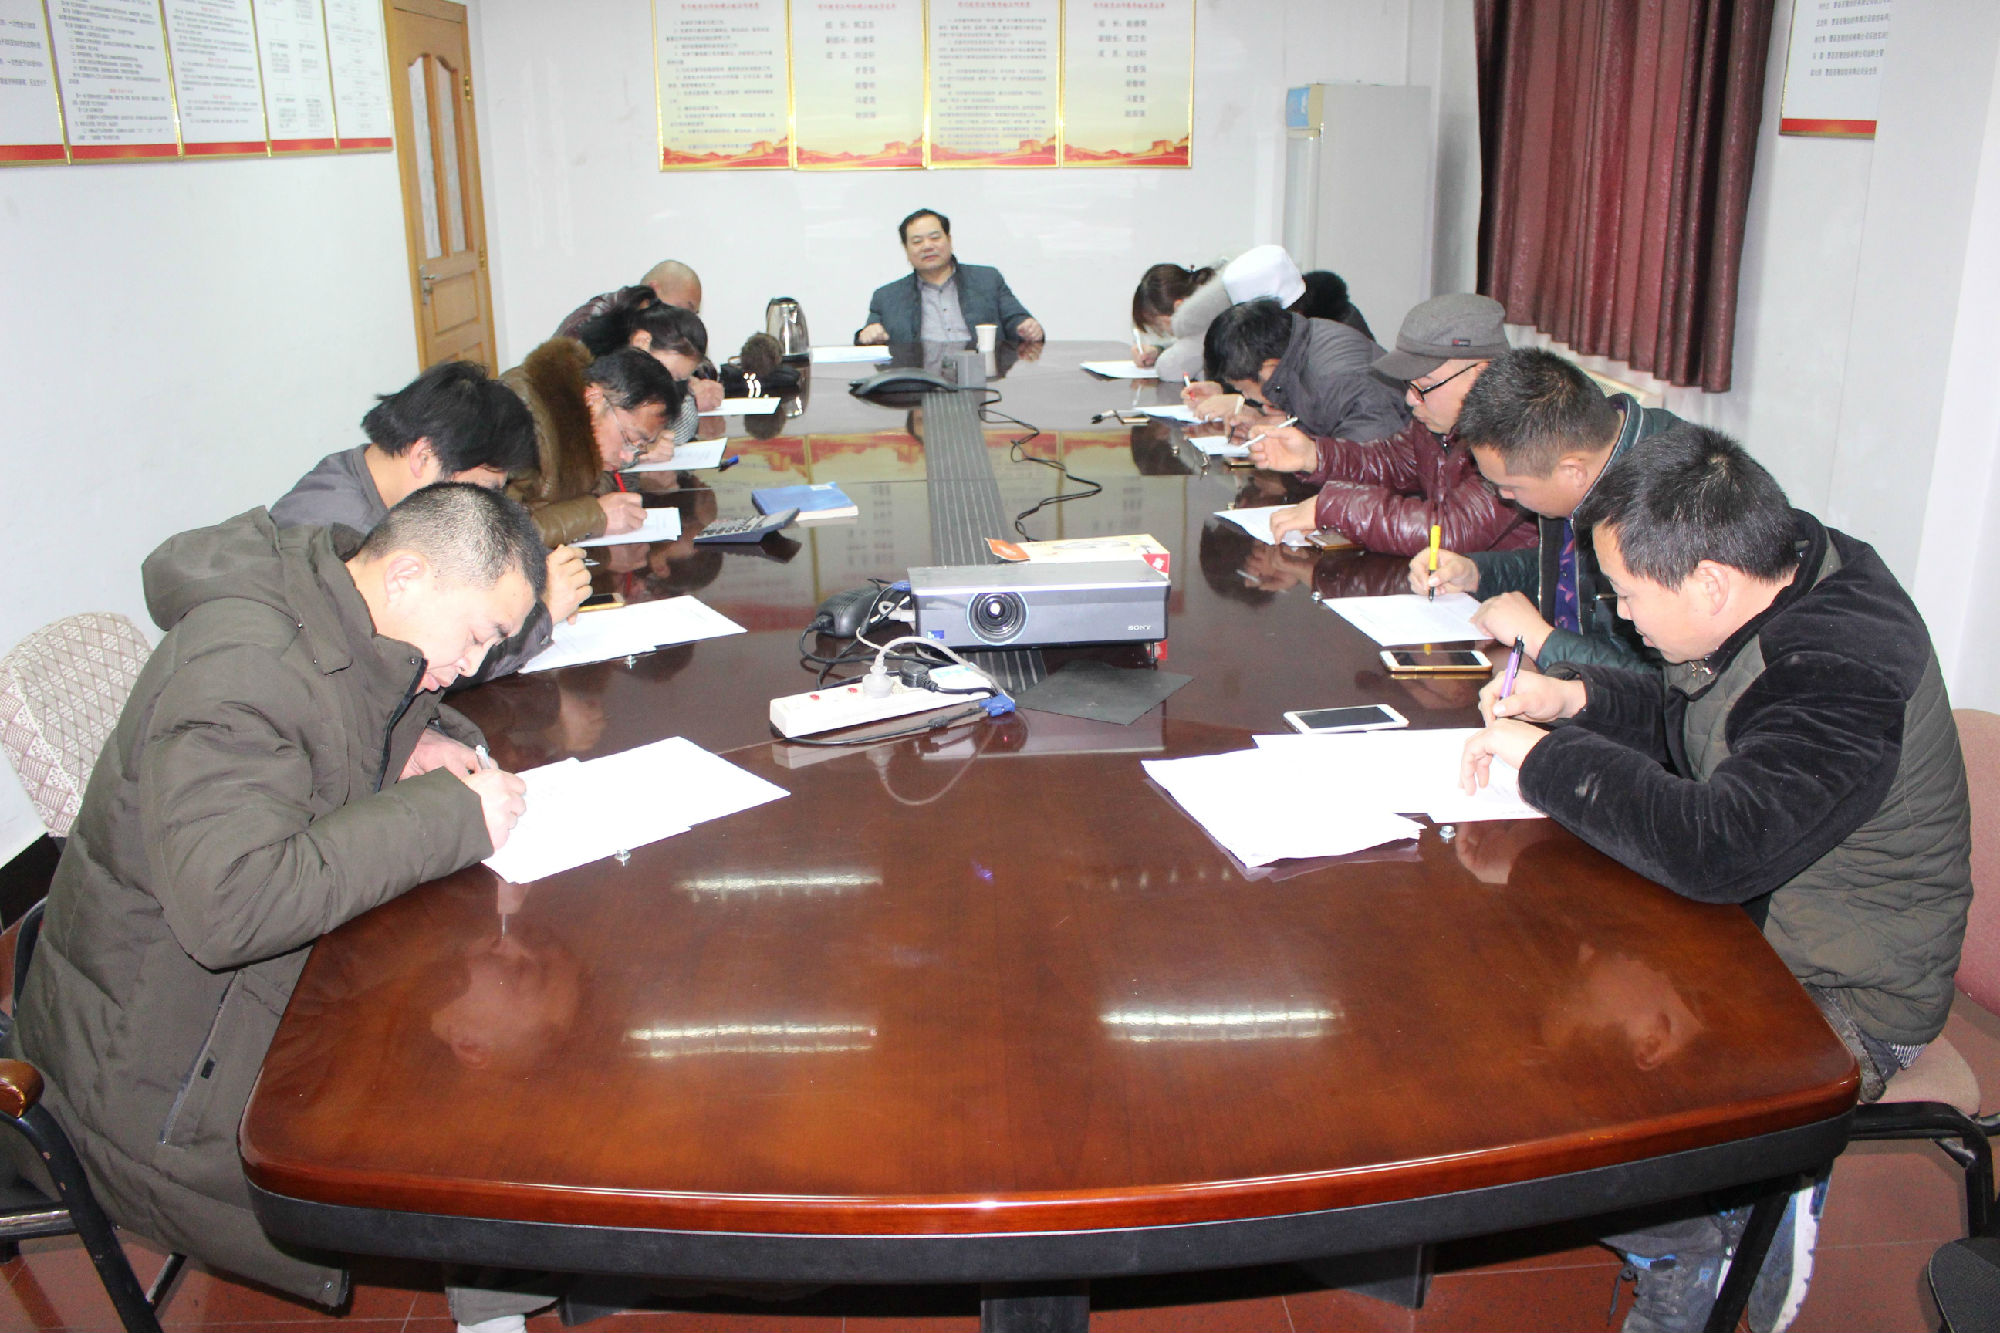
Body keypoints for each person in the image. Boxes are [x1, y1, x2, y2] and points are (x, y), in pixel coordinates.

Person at [1461, 425, 1971, 1333]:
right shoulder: (1775, 572)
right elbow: (1702, 718)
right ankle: (1714, 1216)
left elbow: (1718, 846)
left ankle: (1716, 1230)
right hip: (1756, 929)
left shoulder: (1838, 673)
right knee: (1519, 1009)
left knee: (1563, 1103)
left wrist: (1546, 760)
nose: (1621, 617)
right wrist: (1576, 699)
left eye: (1627, 595)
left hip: (1845, 992)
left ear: (1708, 582)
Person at [8, 483, 545, 1320]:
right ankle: (499, 1298)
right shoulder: (240, 672)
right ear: (406, 575)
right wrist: (446, 816)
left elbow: (366, 722)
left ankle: (499, 1289)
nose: (474, 664)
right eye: (477, 635)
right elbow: (231, 907)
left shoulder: (342, 617)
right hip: (154, 1086)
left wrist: (432, 740)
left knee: (469, 1021)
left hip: (204, 1008)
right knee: (468, 1091)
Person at [270, 362, 591, 683]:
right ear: (423, 456)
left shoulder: (370, 478)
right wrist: (543, 614)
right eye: (480, 490)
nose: (483, 506)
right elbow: (413, 672)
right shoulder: (338, 535)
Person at [1408, 346, 1683, 669]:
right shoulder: (1584, 451)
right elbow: (1567, 574)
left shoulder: (1673, 506)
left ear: (1572, 471)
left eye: (1512, 487)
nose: (1504, 497)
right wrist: (1478, 572)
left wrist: (1541, 639)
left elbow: (1665, 685)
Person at [1251, 293, 1533, 556]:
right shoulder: (1436, 422)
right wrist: (1313, 454)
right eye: (1409, 384)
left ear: (1480, 375)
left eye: (1424, 385)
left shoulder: (1518, 433)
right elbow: (1393, 460)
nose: (1411, 399)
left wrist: (1336, 507)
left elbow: (1452, 529)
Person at [500, 340, 682, 546]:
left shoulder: (584, 430)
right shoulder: (520, 415)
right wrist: (596, 516)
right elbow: (501, 534)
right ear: (594, 398)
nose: (628, 457)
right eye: (629, 439)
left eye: (640, 446)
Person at [1198, 298, 1409, 447]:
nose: (1245, 396)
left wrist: (1297, 441)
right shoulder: (1301, 341)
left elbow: (1366, 463)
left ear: (1269, 370)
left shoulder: (1342, 381)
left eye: (1243, 389)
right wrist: (1270, 422)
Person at [855, 209, 1044, 345]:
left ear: (949, 240)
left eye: (935, 238)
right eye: (917, 241)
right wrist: (867, 335)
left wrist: (1027, 327)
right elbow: (868, 334)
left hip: (981, 375)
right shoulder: (886, 297)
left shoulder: (987, 279)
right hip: (919, 380)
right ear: (906, 249)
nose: (927, 246)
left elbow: (1016, 319)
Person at [574, 290, 722, 438]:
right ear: (642, 342)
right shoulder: (598, 378)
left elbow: (682, 424)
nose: (671, 385)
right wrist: (646, 446)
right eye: (668, 373)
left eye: (679, 380)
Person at [553, 258, 702, 341]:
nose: (687, 322)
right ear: (653, 291)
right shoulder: (596, 319)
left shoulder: (668, 335)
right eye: (685, 310)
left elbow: (699, 363)